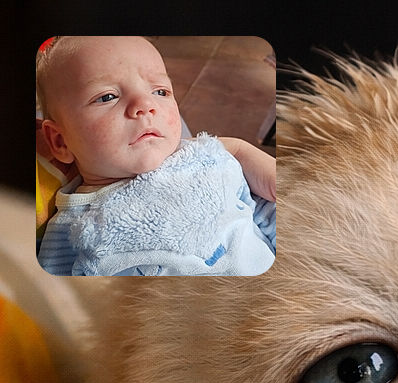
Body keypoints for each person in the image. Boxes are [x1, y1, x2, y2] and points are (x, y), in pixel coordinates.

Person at [36, 36, 276, 276]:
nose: (146, 104)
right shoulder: (71, 230)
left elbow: (265, 213)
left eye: (160, 91)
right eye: (107, 97)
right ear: (60, 141)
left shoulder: (206, 159)